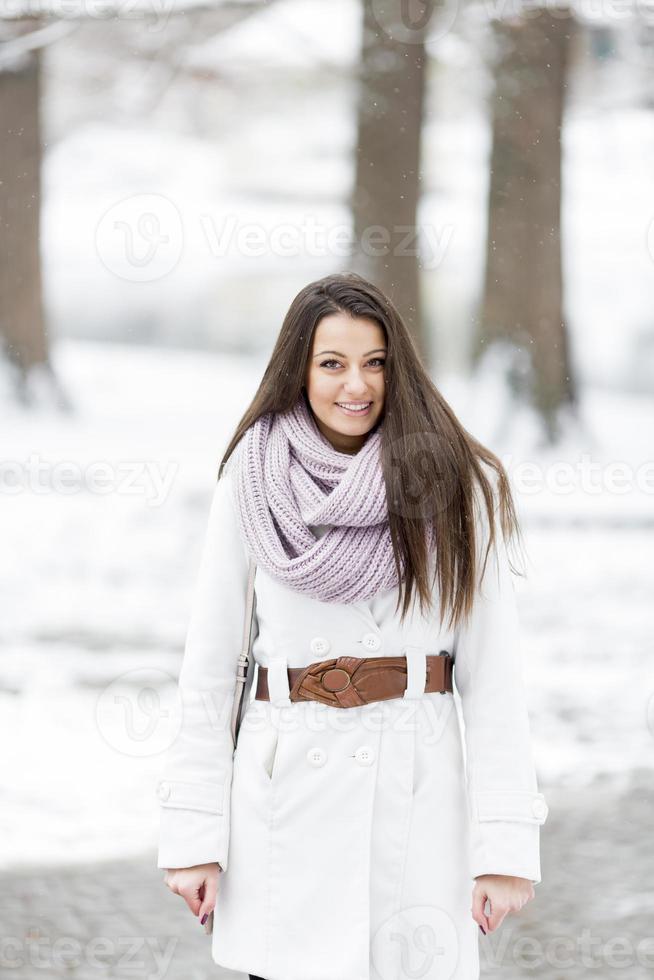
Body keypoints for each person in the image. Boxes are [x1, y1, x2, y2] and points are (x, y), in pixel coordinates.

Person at [157, 272, 549, 980]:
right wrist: (193, 837)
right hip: (284, 809)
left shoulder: (459, 485)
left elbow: (494, 685)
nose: (356, 386)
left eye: (374, 363)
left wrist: (504, 851)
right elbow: (211, 668)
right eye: (332, 364)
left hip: (417, 805)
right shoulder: (251, 479)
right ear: (298, 370)